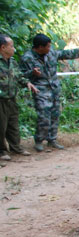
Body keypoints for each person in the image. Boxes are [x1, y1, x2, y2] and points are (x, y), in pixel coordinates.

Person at [21, 34, 79, 152]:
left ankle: (52, 140)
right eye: (48, 46)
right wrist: (31, 73)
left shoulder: (50, 53)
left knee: (55, 114)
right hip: (40, 90)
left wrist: (78, 51)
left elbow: (62, 54)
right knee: (43, 116)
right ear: (40, 47)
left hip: (54, 89)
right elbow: (20, 76)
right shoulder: (28, 58)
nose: (50, 48)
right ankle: (39, 141)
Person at [0, 34, 37, 163]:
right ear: (3, 47)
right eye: (11, 46)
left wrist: (27, 83)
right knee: (1, 126)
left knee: (13, 124)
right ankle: (2, 151)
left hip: (11, 98)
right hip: (1, 100)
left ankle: (16, 147)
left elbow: (19, 76)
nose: (13, 48)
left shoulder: (12, 62)